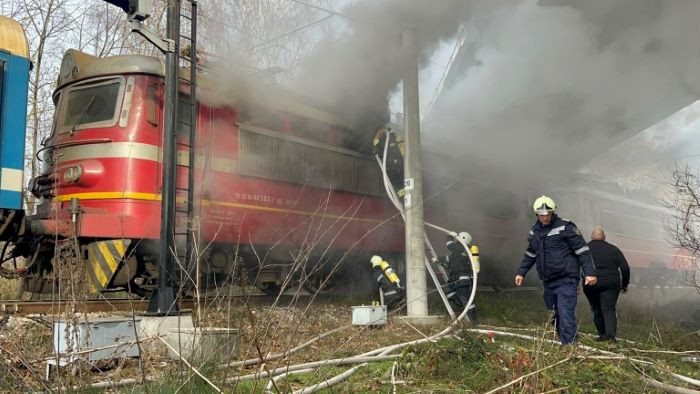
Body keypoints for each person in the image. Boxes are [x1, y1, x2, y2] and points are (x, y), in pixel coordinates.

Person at [515, 195, 597, 345]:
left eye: (547, 215)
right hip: (548, 281)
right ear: (537, 214)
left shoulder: (566, 227)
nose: (545, 218)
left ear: (552, 213)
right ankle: (564, 341)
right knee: (554, 315)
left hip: (566, 279)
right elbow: (531, 254)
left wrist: (590, 273)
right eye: (542, 215)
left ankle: (570, 346)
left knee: (565, 313)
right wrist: (521, 272)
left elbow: (582, 250)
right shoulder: (535, 231)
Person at [584, 227, 630, 342]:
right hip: (611, 283)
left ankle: (602, 335)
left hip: (591, 283)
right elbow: (625, 268)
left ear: (591, 237)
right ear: (604, 237)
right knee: (609, 309)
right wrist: (624, 284)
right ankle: (610, 337)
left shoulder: (585, 249)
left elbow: (576, 266)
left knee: (596, 308)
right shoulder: (614, 249)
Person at [439, 232, 479, 322]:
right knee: (449, 292)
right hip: (455, 278)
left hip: (463, 279)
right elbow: (449, 258)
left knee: (465, 299)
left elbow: (450, 245)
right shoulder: (458, 252)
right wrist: (438, 259)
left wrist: (449, 236)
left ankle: (473, 321)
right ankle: (461, 308)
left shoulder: (464, 249)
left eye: (458, 239)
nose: (457, 241)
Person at [372, 128, 406, 202]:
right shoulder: (385, 140)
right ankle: (403, 199)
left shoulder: (392, 139)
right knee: (397, 185)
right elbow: (378, 147)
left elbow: (402, 150)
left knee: (399, 184)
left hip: (397, 166)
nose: (379, 134)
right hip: (393, 167)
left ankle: (403, 199)